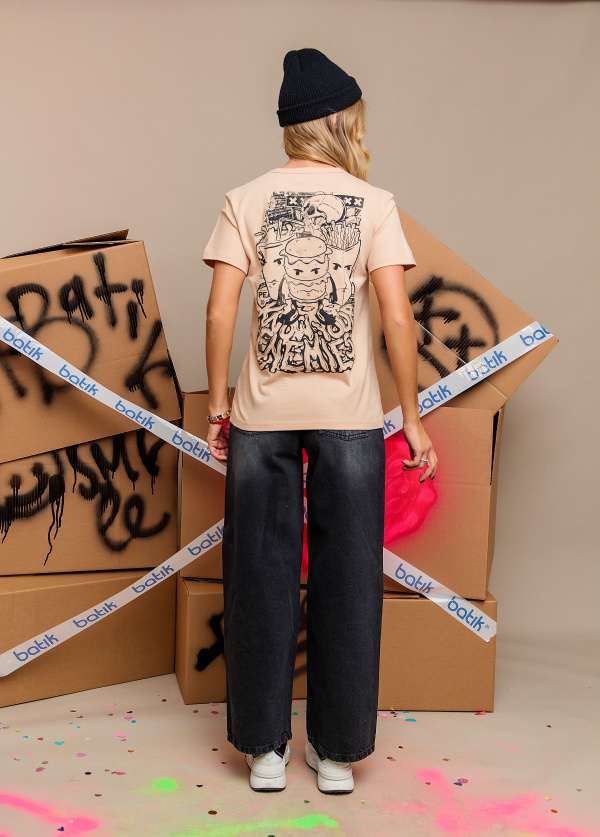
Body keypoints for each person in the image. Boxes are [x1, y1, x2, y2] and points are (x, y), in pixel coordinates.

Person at [201, 47, 438, 794]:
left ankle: (264, 751)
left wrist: (218, 405)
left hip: (261, 416)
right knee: (349, 577)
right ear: (338, 123)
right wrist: (414, 418)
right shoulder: (375, 203)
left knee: (258, 573)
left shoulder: (244, 197)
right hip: (350, 419)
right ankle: (335, 754)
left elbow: (220, 311)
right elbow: (397, 317)